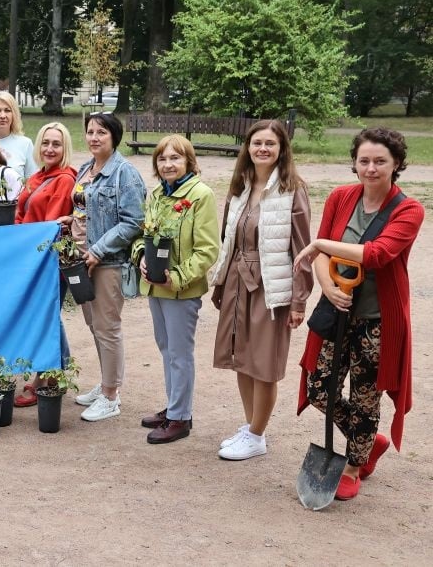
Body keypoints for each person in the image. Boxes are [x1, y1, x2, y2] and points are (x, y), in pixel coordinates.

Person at [293, 128, 423, 501]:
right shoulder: (340, 197)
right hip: (336, 310)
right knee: (319, 388)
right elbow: (322, 260)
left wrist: (319, 244)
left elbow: (379, 254)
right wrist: (328, 287)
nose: (370, 168)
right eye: (364, 160)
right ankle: (367, 439)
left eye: (380, 161)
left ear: (396, 163)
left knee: (365, 394)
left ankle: (354, 465)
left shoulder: (408, 209)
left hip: (377, 320)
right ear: (354, 163)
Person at [208, 120, 312, 460]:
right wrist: (221, 282)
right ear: (248, 148)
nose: (263, 149)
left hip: (271, 286)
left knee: (263, 364)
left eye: (270, 143)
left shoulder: (292, 188)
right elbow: (228, 239)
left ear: (282, 149)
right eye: (257, 143)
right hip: (239, 280)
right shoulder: (240, 186)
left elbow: (302, 249)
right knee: (241, 359)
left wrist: (299, 299)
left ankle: (256, 434)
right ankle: (251, 425)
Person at [58, 114, 146, 419]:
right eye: (90, 132)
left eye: (102, 132)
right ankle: (106, 383)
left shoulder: (124, 173)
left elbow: (134, 221)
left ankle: (111, 396)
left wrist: (98, 249)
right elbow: (83, 208)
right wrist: (71, 219)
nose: (95, 137)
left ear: (114, 137)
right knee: (94, 326)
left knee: (108, 328)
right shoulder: (86, 168)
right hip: (81, 261)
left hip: (106, 262)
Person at [134, 135, 219, 444]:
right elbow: (144, 235)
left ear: (189, 162)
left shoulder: (200, 195)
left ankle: (180, 418)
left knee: (180, 354)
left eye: (175, 158)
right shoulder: (157, 194)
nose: (168, 164)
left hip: (180, 289)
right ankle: (173, 407)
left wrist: (179, 276)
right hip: (156, 287)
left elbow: (208, 249)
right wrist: (141, 257)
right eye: (162, 159)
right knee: (166, 349)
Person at [12, 122, 79, 408]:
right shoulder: (37, 176)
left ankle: (48, 375)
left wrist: (25, 241)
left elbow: (50, 223)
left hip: (47, 257)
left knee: (48, 315)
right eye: (46, 143)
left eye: (56, 144)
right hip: (28, 254)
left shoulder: (64, 179)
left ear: (65, 149)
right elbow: (19, 211)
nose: (50, 149)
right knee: (43, 315)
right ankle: (53, 373)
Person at [0, 91, 37, 181]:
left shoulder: (25, 144)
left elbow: (33, 181)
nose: (2, 115)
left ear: (14, 114)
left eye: (7, 110)